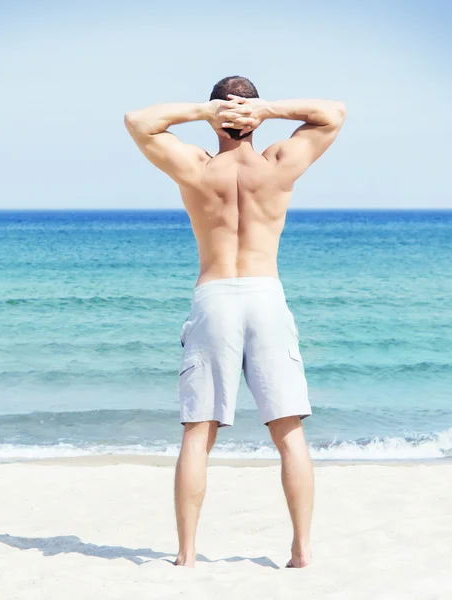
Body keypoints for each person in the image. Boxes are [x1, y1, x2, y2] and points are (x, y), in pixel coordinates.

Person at [124, 76, 346, 569]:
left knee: (198, 431)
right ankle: (302, 551)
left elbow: (138, 122)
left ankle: (186, 556)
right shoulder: (278, 164)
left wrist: (207, 113)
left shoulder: (196, 167)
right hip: (266, 296)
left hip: (215, 295)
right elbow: (333, 112)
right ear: (250, 116)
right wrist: (267, 110)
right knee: (289, 432)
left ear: (218, 114)